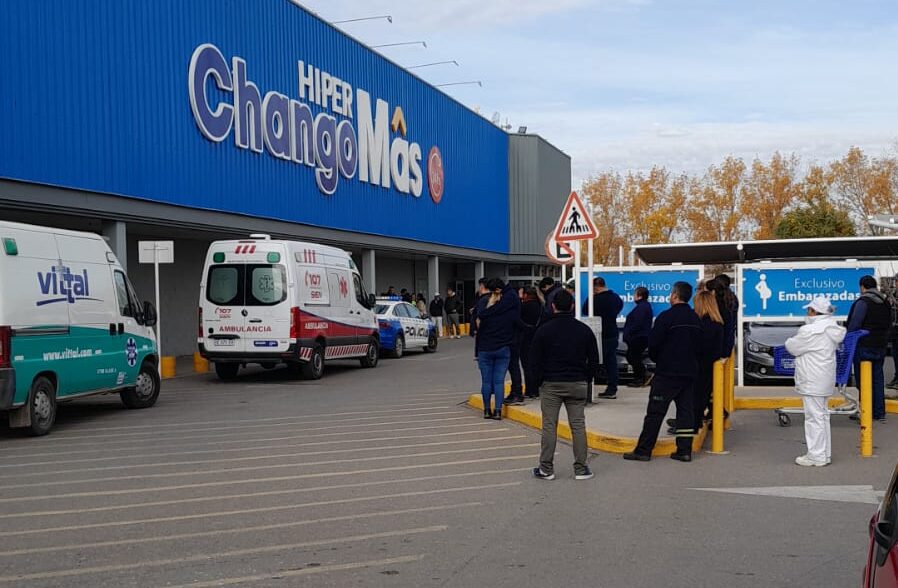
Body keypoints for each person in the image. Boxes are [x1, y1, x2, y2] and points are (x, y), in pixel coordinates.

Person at [623, 281, 703, 463]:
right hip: (689, 373)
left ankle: (643, 450)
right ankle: (684, 450)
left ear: (674, 295)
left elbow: (654, 345)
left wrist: (661, 360)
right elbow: (701, 346)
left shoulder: (666, 318)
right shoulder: (695, 319)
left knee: (655, 413)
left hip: (667, 373)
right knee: (685, 413)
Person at [529, 289, 600, 481]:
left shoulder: (544, 330)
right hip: (577, 383)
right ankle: (581, 468)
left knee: (549, 426)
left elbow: (533, 360)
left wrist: (537, 382)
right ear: (573, 306)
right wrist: (587, 378)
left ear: (553, 307)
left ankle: (546, 468)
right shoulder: (583, 330)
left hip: (551, 384)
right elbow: (594, 359)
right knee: (578, 425)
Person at [785, 296, 846, 467]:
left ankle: (816, 455)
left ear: (814, 312)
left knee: (813, 417)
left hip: (811, 378)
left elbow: (792, 347)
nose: (806, 312)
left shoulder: (809, 331)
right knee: (822, 416)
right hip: (825, 377)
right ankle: (824, 454)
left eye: (809, 310)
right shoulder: (832, 329)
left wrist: (790, 341)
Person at [848, 275, 892, 423]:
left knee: (863, 380)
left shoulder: (863, 302)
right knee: (877, 379)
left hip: (863, 345)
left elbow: (854, 324)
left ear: (862, 287)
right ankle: (879, 412)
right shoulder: (885, 302)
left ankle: (866, 410)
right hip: (880, 346)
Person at [475, 278, 521, 420]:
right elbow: (519, 325)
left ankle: (487, 410)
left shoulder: (484, 311)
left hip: (485, 349)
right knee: (499, 382)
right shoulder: (507, 311)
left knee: (486, 382)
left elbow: (476, 328)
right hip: (502, 348)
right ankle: (498, 411)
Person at [582, 277, 624, 399]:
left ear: (596, 287)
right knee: (611, 362)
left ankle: (588, 387)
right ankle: (612, 388)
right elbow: (619, 308)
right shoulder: (616, 298)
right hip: (612, 332)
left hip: (598, 333)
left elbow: (585, 310)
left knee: (592, 361)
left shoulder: (594, 299)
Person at [689, 290, 724, 434]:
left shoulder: (701, 324)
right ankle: (696, 421)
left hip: (698, 365)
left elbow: (697, 345)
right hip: (710, 365)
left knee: (695, 397)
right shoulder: (718, 323)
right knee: (702, 395)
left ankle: (692, 423)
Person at [623, 286, 653, 388]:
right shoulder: (644, 306)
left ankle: (641, 377)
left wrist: (629, 333)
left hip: (638, 337)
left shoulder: (642, 307)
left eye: (635, 294)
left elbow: (638, 323)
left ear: (639, 296)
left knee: (633, 357)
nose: (633, 296)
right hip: (639, 337)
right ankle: (641, 376)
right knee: (633, 356)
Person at [519, 286, 543, 400]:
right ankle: (536, 389)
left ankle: (530, 390)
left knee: (527, 366)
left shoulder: (523, 306)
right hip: (538, 338)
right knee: (536, 365)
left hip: (526, 338)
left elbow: (517, 320)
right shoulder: (540, 306)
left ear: (526, 295)